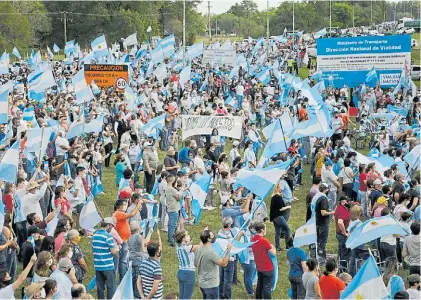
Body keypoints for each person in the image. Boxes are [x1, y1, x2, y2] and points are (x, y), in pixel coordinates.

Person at [194, 229, 232, 299]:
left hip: (202, 284)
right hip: (211, 285)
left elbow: (195, 264)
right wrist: (228, 250)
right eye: (212, 236)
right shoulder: (211, 253)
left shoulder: (198, 249)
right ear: (208, 239)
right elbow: (224, 264)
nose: (214, 236)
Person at [113, 198, 143, 280]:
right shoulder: (118, 213)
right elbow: (132, 214)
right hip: (122, 242)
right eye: (125, 204)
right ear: (121, 207)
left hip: (124, 240)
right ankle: (123, 278)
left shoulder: (119, 214)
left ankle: (122, 277)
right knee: (122, 262)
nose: (126, 206)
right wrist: (139, 204)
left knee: (123, 261)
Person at [92, 217, 119, 299]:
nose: (111, 228)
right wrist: (116, 254)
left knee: (100, 288)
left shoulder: (94, 235)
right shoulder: (108, 236)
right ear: (108, 225)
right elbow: (114, 252)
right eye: (111, 226)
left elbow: (93, 249)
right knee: (111, 287)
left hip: (98, 266)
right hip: (108, 266)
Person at [250, 221, 276, 299]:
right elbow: (273, 253)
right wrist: (273, 247)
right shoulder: (264, 241)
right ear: (262, 230)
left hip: (259, 267)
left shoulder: (253, 239)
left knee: (259, 285)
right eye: (265, 228)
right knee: (267, 287)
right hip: (268, 267)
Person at [174, 229, 200, 300]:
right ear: (184, 238)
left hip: (180, 272)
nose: (189, 236)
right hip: (189, 273)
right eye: (187, 235)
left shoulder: (178, 246)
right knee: (187, 297)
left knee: (182, 297)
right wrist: (203, 236)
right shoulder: (187, 248)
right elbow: (200, 245)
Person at [314, 183, 334, 263]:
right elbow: (323, 212)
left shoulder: (318, 196)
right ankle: (321, 259)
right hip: (323, 222)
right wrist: (331, 212)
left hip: (317, 221)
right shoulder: (323, 199)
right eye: (327, 189)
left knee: (318, 239)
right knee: (322, 241)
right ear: (325, 189)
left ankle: (315, 255)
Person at [270, 184, 291, 251]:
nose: (282, 189)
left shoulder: (273, 196)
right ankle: (288, 245)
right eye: (280, 188)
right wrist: (288, 207)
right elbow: (280, 208)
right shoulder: (277, 197)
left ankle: (277, 247)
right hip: (278, 216)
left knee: (278, 231)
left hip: (273, 217)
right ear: (278, 188)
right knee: (287, 229)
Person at [165, 175, 182, 247]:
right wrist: (181, 191)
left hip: (169, 208)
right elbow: (178, 198)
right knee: (173, 225)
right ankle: (171, 240)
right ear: (172, 180)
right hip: (174, 208)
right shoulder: (171, 189)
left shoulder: (167, 187)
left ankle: (169, 238)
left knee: (171, 224)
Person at [334, 195, 351, 266]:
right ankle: (344, 269)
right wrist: (345, 232)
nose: (349, 202)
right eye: (348, 201)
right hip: (343, 235)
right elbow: (340, 222)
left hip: (339, 234)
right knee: (345, 254)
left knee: (341, 252)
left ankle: (340, 267)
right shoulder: (343, 211)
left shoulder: (339, 208)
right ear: (343, 202)